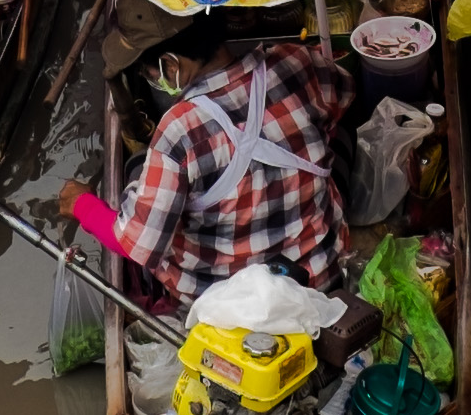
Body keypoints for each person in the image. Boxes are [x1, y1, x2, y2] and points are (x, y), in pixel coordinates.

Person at [111, 37, 356, 301]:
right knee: (342, 136)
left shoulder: (178, 128)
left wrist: (82, 204)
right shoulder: (296, 60)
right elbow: (345, 94)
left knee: (137, 165)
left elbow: (139, 244)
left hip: (227, 307)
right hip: (317, 280)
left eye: (148, 73)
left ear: (170, 66)